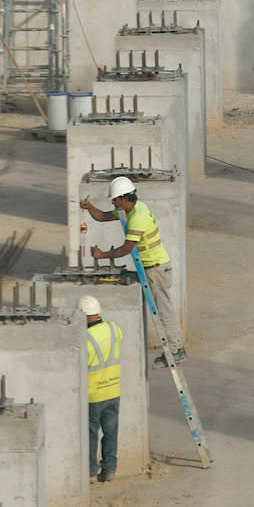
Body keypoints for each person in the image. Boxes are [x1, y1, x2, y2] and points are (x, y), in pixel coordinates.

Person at [81, 176, 186, 367]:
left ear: (124, 198)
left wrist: (101, 255)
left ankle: (175, 350)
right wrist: (89, 207)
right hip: (152, 268)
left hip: (156, 269)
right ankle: (175, 348)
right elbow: (103, 217)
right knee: (163, 308)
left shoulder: (138, 217)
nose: (113, 203)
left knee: (164, 311)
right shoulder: (133, 208)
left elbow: (125, 249)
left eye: (115, 199)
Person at [80, 295, 123, 483]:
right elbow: (120, 336)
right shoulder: (113, 328)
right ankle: (109, 470)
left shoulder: (85, 338)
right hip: (113, 390)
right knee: (111, 432)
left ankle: (90, 472)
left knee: (91, 434)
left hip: (94, 394)